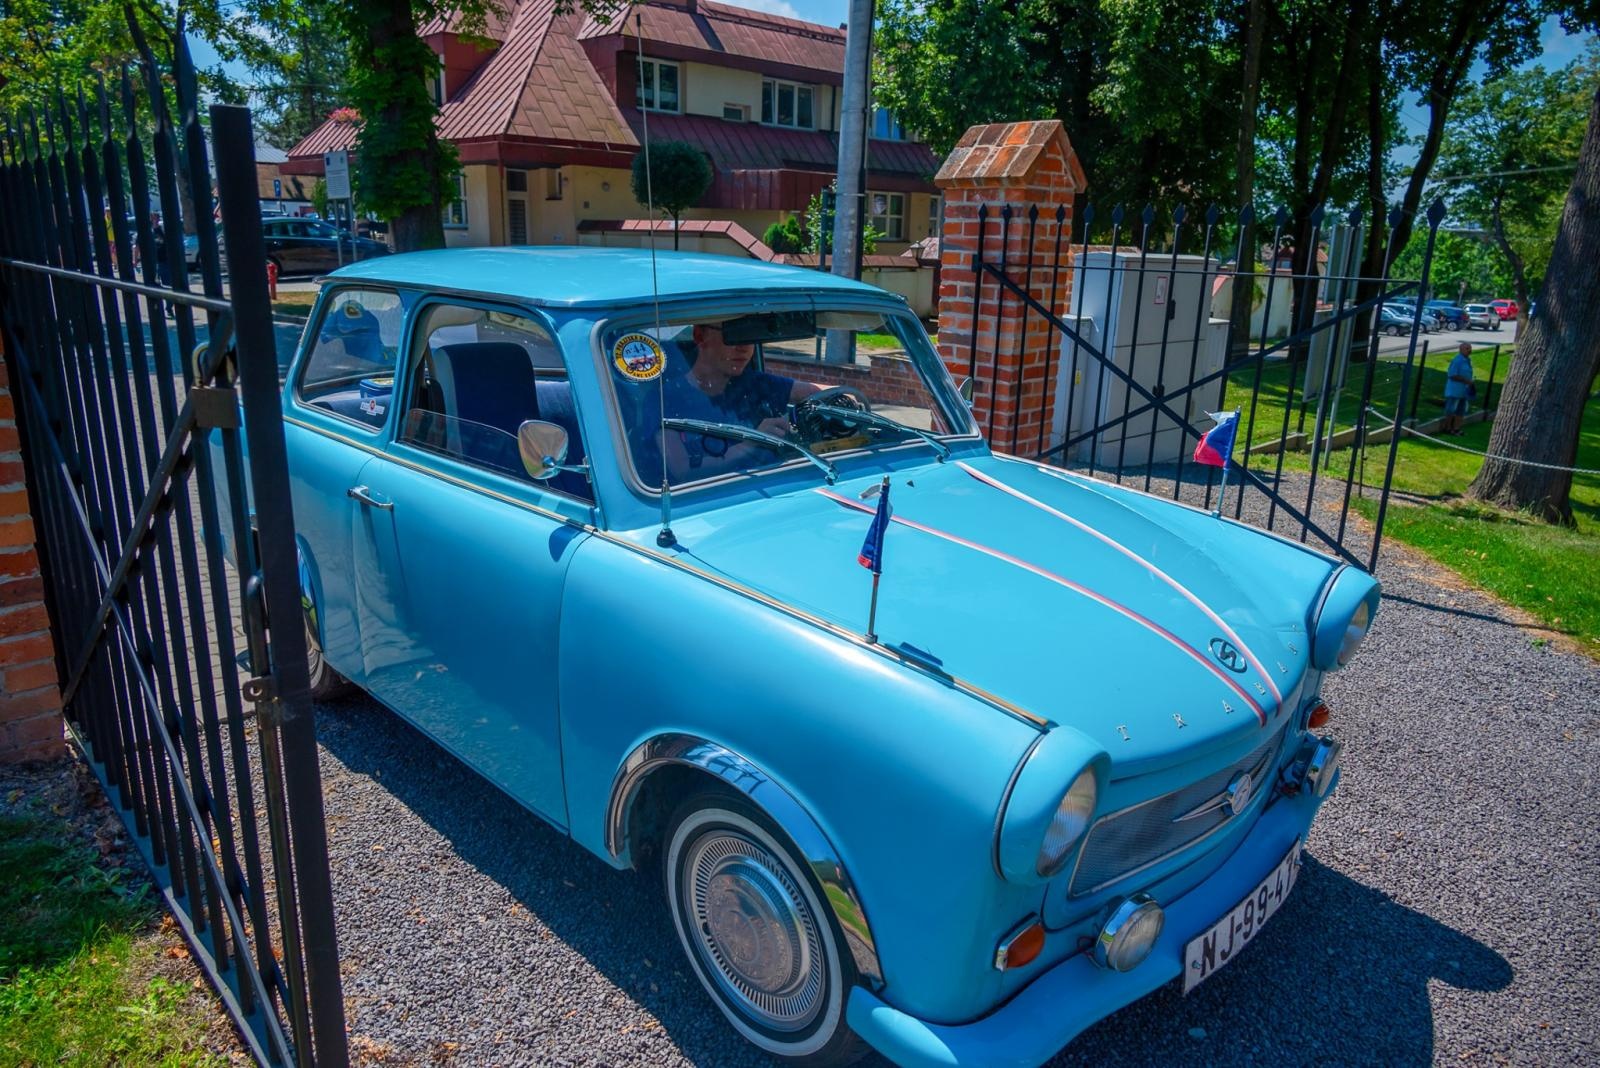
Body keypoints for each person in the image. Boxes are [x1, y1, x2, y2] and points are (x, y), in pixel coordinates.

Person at [660, 321, 819, 480]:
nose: (744, 347)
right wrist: (753, 442)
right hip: (710, 498)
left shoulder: (755, 384)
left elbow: (814, 393)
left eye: (751, 337)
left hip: (775, 488)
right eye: (733, 336)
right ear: (700, 336)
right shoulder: (665, 398)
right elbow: (681, 469)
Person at [1443, 341, 1475, 435]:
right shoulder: (1457, 360)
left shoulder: (1467, 360)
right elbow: (1452, 375)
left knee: (1461, 410)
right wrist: (1466, 380)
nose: (1469, 350)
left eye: (1470, 348)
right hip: (1454, 391)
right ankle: (1448, 428)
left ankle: (1456, 428)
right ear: (1461, 349)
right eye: (1467, 348)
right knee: (1451, 410)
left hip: (1464, 391)